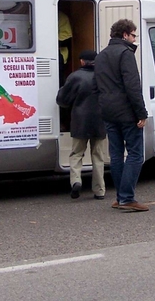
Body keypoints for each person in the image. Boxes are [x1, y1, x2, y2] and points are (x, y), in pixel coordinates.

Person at [93, 19, 149, 212]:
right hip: (126, 112)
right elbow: (133, 87)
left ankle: (119, 197)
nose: (135, 40)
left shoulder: (101, 56)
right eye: (134, 35)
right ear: (125, 35)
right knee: (135, 154)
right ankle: (127, 198)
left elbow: (96, 86)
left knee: (116, 155)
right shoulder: (126, 54)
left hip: (108, 112)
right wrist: (141, 113)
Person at [56, 50, 107, 200]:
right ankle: (99, 190)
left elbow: (63, 101)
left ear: (82, 62)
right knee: (98, 156)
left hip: (80, 120)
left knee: (76, 154)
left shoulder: (75, 76)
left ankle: (76, 181)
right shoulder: (103, 76)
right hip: (100, 120)